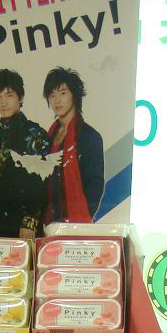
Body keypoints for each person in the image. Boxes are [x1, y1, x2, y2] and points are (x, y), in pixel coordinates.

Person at [0, 69, 51, 239]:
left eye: (9, 95)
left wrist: (30, 221)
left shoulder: (35, 134)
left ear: (20, 97)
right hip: (0, 225)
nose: (3, 102)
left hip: (27, 226)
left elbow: (44, 181)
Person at [42, 67, 104, 225]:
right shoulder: (48, 136)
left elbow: (95, 184)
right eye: (52, 95)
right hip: (50, 222)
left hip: (76, 222)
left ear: (74, 95)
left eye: (63, 93)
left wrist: (81, 218)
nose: (57, 100)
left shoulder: (89, 136)